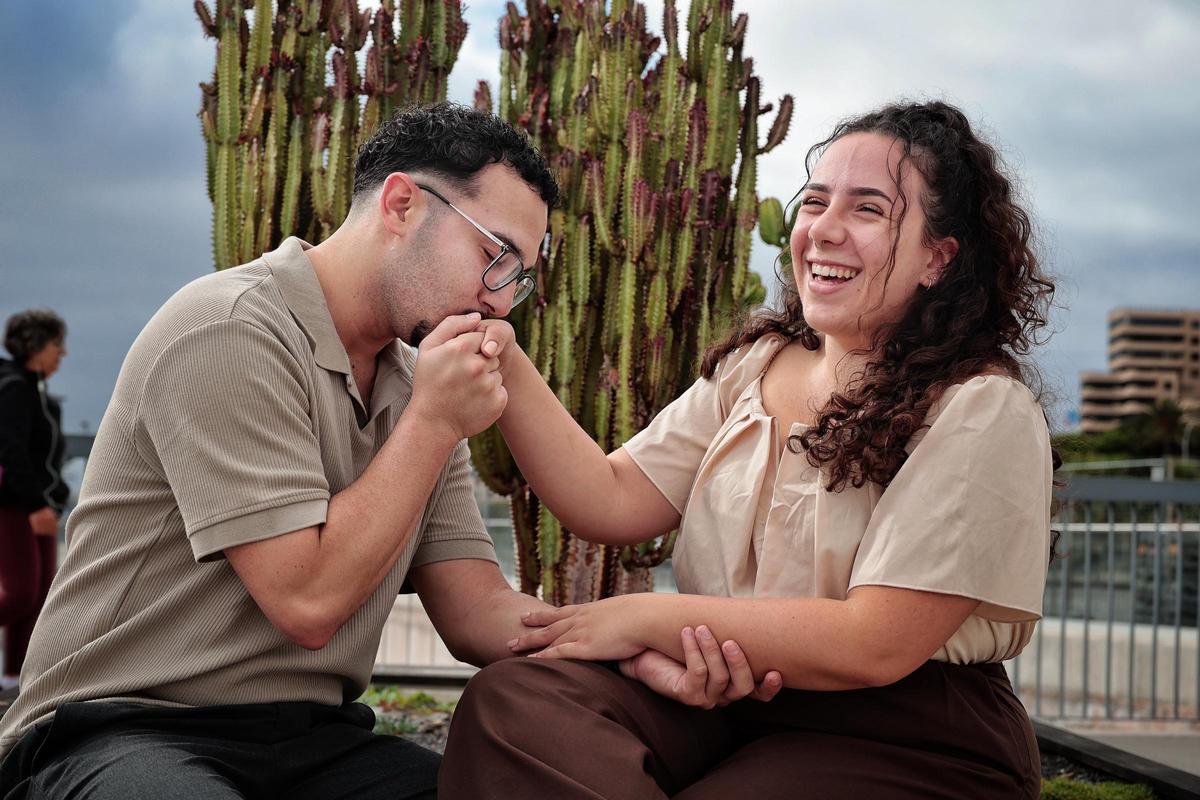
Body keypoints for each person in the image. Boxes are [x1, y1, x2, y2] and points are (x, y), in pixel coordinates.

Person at [0, 104, 777, 800]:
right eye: (495, 255)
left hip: (311, 740)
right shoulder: (228, 328)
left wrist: (634, 649)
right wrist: (434, 422)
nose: (499, 301)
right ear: (402, 204)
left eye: (520, 279)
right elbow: (306, 605)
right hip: (119, 726)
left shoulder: (414, 382)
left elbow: (476, 613)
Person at [439, 100, 1057, 799]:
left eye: (868, 210)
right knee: (515, 704)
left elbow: (875, 641)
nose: (824, 229)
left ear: (937, 259)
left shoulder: (981, 407)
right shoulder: (756, 365)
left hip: (908, 731)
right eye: (815, 202)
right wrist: (501, 352)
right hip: (726, 701)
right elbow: (611, 499)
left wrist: (642, 620)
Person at [0, 310, 69, 691]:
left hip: (38, 505)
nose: (63, 352)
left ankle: (14, 678)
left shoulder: (35, 390)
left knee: (39, 596)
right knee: (21, 594)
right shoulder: (14, 388)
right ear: (35, 344)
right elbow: (11, 454)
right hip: (16, 507)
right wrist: (35, 506)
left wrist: (51, 500)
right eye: (57, 343)